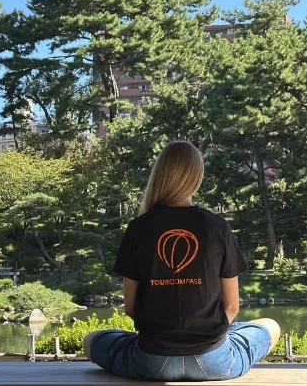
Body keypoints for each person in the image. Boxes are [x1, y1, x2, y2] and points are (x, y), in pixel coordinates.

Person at [83, 141, 280, 381]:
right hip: (215, 361)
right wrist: (207, 336)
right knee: (270, 326)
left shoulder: (138, 228)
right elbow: (232, 307)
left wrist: (166, 339)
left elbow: (132, 309)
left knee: (90, 340)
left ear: (160, 174)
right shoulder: (218, 226)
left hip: (151, 362)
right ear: (197, 176)